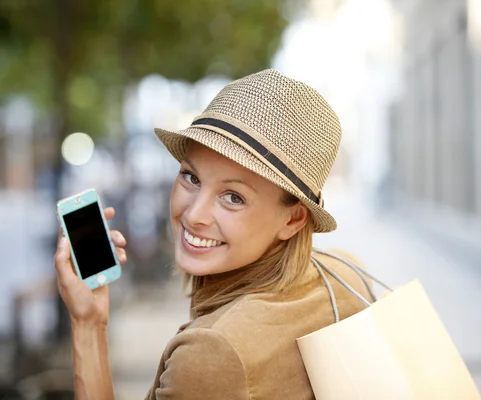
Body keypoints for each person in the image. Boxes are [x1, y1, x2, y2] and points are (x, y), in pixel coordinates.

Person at [54, 69, 373, 399]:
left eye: (233, 197)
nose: (194, 214)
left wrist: (88, 328)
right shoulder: (346, 274)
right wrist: (89, 316)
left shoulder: (211, 351)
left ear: (293, 219)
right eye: (191, 177)